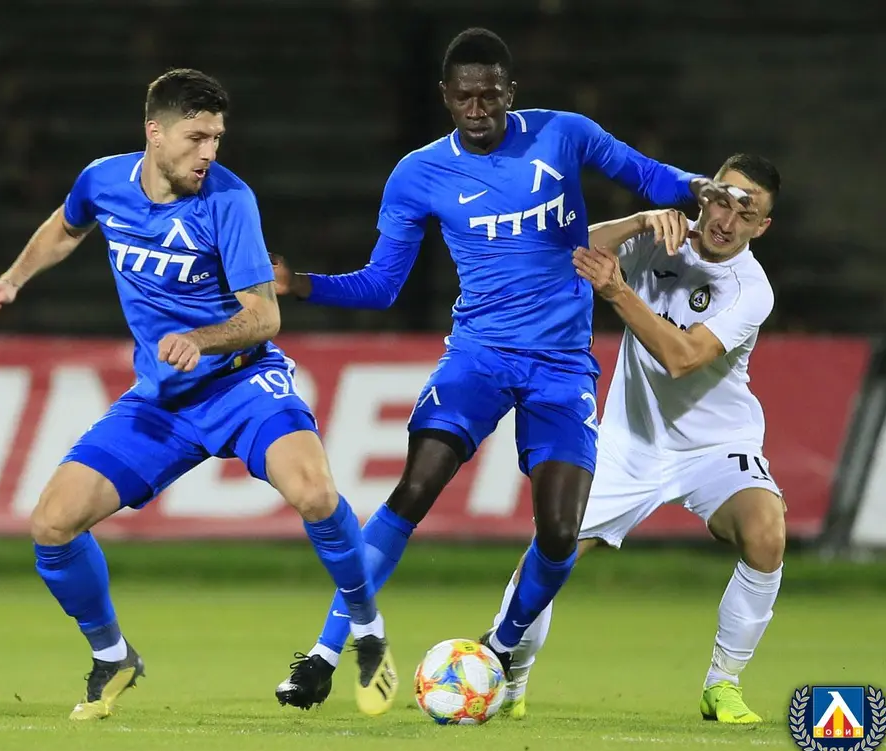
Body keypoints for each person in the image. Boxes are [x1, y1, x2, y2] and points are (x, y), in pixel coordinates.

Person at [271, 27, 724, 709]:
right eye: (464, 97)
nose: (477, 108)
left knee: (561, 534)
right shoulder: (419, 174)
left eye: (490, 95)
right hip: (478, 356)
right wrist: (302, 285)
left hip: (561, 366)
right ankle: (326, 653)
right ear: (445, 97)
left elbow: (645, 174)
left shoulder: (562, 133)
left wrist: (698, 187)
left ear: (511, 92)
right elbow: (382, 285)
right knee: (415, 487)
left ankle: (502, 646)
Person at [0, 68, 397, 720]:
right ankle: (113, 656)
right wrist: (12, 279)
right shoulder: (103, 182)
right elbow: (66, 226)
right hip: (163, 401)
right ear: (155, 132)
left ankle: (366, 628)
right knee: (52, 526)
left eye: (217, 138)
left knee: (314, 492)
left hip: (242, 383)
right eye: (197, 138)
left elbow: (265, 317)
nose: (210, 153)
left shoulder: (230, 201)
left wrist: (201, 338)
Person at [490, 153, 784, 725]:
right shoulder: (660, 239)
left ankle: (722, 683)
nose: (727, 221)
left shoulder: (751, 289)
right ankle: (508, 676)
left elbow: (683, 357)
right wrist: (638, 221)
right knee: (551, 549)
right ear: (705, 195)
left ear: (761, 227)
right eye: (722, 202)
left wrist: (619, 292)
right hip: (629, 444)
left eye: (745, 215)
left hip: (715, 448)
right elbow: (568, 249)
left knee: (766, 533)